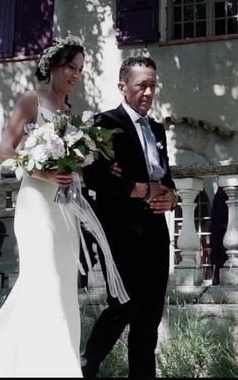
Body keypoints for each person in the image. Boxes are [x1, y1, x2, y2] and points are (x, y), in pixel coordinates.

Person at [0, 35, 125, 377]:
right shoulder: (31, 100)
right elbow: (4, 154)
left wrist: (97, 164)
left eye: (80, 69)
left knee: (60, 286)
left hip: (65, 209)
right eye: (70, 67)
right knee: (44, 279)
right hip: (36, 205)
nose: (76, 74)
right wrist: (44, 172)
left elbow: (76, 164)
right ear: (53, 67)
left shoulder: (71, 114)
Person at [80, 56, 178, 378]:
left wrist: (172, 198)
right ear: (123, 87)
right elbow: (96, 178)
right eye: (141, 86)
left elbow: (166, 179)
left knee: (150, 315)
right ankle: (87, 365)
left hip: (155, 232)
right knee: (124, 306)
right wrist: (142, 190)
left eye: (152, 85)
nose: (148, 92)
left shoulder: (158, 130)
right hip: (120, 232)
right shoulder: (104, 124)